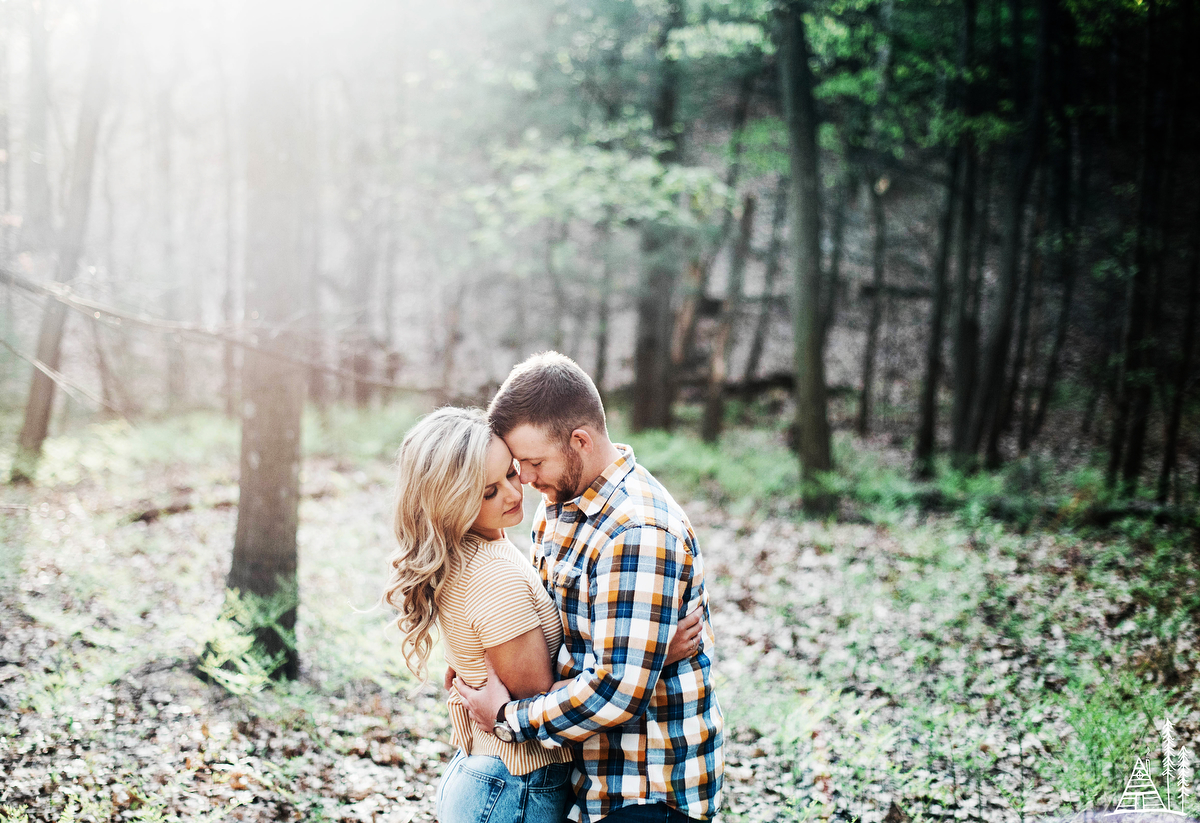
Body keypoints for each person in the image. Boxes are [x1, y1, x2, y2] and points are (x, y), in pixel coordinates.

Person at [382, 406, 701, 823]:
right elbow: (537, 693)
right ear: (451, 502)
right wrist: (646, 658)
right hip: (513, 787)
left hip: (498, 781)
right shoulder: (492, 573)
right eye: (488, 492)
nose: (515, 493)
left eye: (511, 474)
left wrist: (642, 653)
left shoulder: (480, 550)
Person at [456, 352, 724, 823]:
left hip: (643, 790)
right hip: (584, 782)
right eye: (519, 466)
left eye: (534, 462)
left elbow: (617, 691)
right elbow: (549, 631)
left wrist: (506, 716)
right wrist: (482, 661)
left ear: (580, 440)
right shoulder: (558, 505)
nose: (526, 481)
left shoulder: (637, 532)